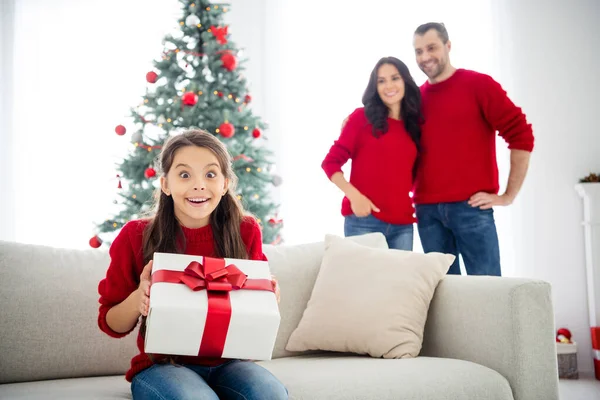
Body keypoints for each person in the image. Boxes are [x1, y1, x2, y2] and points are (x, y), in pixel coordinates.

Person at [97, 129, 287, 400]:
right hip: (164, 366)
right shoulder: (135, 235)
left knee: (270, 395)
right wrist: (140, 297)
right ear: (165, 184)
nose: (199, 185)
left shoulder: (246, 231)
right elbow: (110, 323)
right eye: (184, 175)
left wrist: (266, 297)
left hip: (230, 363)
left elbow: (254, 308)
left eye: (210, 174)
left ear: (224, 184)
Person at [412, 22, 535, 276]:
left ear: (448, 46)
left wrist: (508, 196)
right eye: (418, 51)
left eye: (431, 48)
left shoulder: (479, 85)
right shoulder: (414, 100)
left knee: (488, 292)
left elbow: (521, 134)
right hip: (427, 214)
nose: (424, 57)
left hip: (471, 209)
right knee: (444, 297)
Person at [322, 57, 423, 250]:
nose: (389, 86)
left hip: (403, 224)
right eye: (381, 81)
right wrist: (355, 197)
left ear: (405, 81)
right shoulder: (361, 118)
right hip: (364, 221)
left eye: (395, 78)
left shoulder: (414, 125)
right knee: (364, 280)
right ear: (375, 86)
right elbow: (330, 163)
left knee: (400, 281)